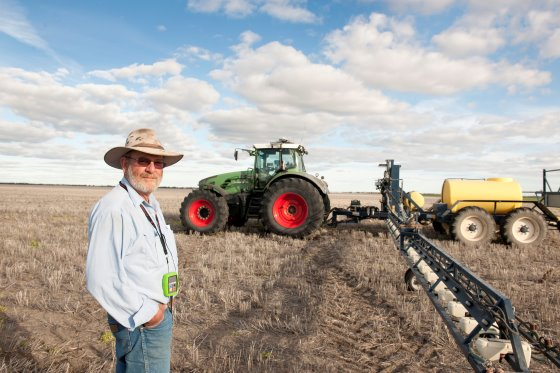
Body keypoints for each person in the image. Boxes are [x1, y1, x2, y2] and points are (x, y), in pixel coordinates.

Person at [86, 128, 183, 372]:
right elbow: (100, 278)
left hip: (155, 314)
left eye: (158, 163)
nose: (152, 168)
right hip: (140, 322)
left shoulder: (149, 203)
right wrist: (150, 315)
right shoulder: (114, 208)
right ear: (124, 164)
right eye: (143, 160)